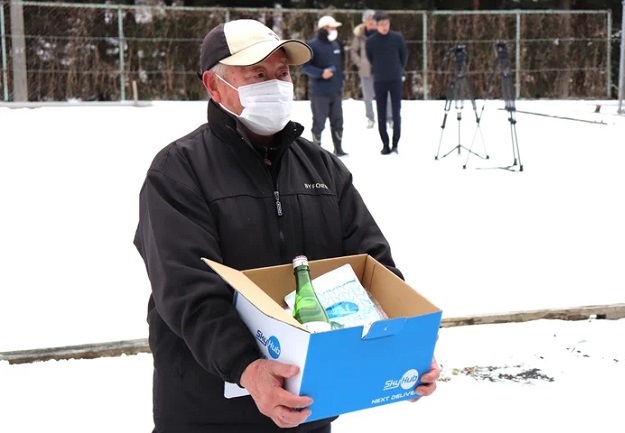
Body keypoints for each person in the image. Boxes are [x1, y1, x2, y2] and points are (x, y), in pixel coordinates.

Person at [133, 18, 440, 433]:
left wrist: (405, 341)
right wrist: (248, 367)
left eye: (281, 73)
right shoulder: (178, 172)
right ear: (213, 84)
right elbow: (189, 294)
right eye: (257, 74)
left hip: (308, 405)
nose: (274, 85)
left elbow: (373, 265)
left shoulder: (322, 167)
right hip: (207, 411)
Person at [301, 15, 347, 156]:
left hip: (336, 91)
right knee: (319, 123)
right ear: (324, 28)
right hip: (320, 93)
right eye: (332, 27)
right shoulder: (312, 45)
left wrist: (341, 80)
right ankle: (316, 152)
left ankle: (338, 149)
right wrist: (321, 73)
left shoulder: (336, 44)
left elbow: (341, 66)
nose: (334, 30)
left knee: (338, 121)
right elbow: (305, 67)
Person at [366, 11, 408, 155]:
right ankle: (385, 144)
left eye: (387, 24)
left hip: (395, 78)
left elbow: (404, 56)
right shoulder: (371, 41)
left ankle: (396, 143)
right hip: (379, 79)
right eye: (382, 24)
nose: (385, 27)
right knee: (381, 113)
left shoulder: (397, 38)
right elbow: (370, 57)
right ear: (376, 25)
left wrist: (397, 69)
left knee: (396, 112)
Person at [350, 9, 392, 129]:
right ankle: (370, 118)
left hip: (383, 71)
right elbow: (353, 50)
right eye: (368, 20)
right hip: (366, 71)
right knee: (367, 97)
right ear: (364, 22)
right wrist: (360, 63)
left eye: (372, 20)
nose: (371, 23)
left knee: (387, 96)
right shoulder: (360, 35)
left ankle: (389, 118)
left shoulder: (383, 34)